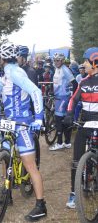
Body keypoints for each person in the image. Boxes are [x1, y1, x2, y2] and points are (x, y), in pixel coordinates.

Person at [0, 42, 47, 221]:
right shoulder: (6, 74)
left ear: (2, 58)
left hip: (22, 123)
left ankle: (41, 205)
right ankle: (7, 194)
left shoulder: (15, 72)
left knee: (30, 166)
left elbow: (36, 92)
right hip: (9, 122)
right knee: (5, 157)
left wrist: (38, 118)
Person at [64, 47, 98, 209]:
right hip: (84, 123)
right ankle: (74, 192)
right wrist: (69, 114)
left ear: (95, 63)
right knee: (77, 160)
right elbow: (73, 99)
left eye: (86, 61)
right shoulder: (83, 81)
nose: (83, 65)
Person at [49, 53, 78, 151]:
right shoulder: (57, 69)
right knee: (65, 121)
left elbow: (75, 83)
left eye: (58, 60)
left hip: (63, 98)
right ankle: (67, 142)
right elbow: (57, 83)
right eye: (55, 60)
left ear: (62, 61)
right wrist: (52, 91)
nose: (56, 62)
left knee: (58, 120)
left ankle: (60, 142)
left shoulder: (65, 69)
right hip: (59, 97)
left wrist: (73, 98)